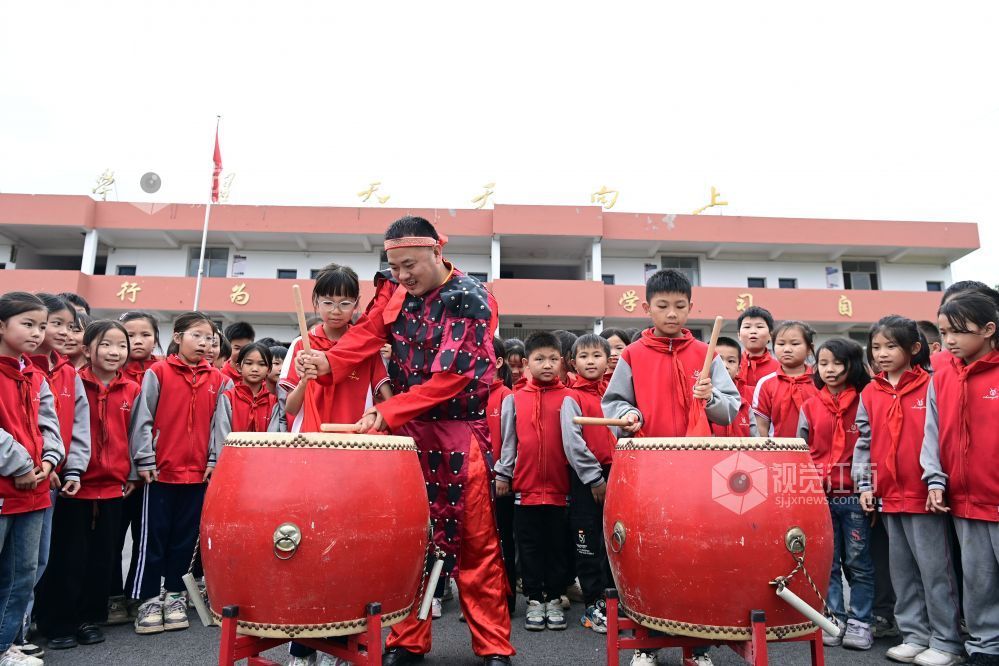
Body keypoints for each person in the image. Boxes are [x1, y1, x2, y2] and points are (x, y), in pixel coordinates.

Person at [299, 216, 514, 665]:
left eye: (409, 265)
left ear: (438, 252)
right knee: (408, 538)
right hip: (404, 433)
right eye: (394, 267)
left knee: (477, 543)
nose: (401, 276)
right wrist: (329, 363)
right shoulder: (396, 291)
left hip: (458, 431)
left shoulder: (470, 298)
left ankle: (493, 644)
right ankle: (407, 640)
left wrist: (386, 410)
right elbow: (369, 332)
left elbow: (452, 378)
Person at [601, 269, 739, 666]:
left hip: (698, 473)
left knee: (699, 557)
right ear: (647, 309)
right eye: (662, 307)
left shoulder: (705, 354)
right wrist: (628, 415)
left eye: (680, 307)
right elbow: (613, 404)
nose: (672, 314)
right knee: (650, 557)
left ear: (691, 307)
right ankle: (646, 642)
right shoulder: (632, 355)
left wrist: (711, 397)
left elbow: (731, 408)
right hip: (652, 472)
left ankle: (696, 647)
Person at [853, 316, 962, 666]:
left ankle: (947, 641)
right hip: (888, 495)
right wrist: (866, 484)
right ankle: (914, 636)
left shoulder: (932, 385)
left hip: (924, 496)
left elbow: (943, 439)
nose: (882, 354)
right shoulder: (870, 391)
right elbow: (864, 443)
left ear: (914, 349)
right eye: (876, 348)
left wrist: (936, 481)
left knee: (935, 572)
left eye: (891, 346)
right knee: (901, 571)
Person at [37, 320, 140, 651]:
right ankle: (59, 622)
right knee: (68, 557)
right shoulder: (74, 381)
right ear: (87, 349)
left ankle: (88, 618)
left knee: (103, 558)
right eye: (106, 344)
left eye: (121, 345)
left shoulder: (132, 389)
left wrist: (134, 472)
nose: (115, 352)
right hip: (73, 485)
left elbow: (139, 435)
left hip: (113, 487)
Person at [129, 312, 231, 636]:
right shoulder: (157, 372)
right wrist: (145, 460)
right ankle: (147, 599)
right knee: (152, 540)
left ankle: (174, 596)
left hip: (198, 475)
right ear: (177, 336)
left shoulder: (219, 380)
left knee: (185, 542)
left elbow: (219, 426)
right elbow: (142, 418)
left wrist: (214, 460)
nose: (203, 343)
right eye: (196, 336)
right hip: (160, 473)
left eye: (209, 339)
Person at [921, 294, 999, 665]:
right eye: (944, 332)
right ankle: (985, 646)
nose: (950, 340)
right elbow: (932, 434)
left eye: (959, 332)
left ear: (988, 330)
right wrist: (935, 480)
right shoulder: (943, 375)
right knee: (978, 581)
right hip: (965, 500)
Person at [494, 332, 576, 632]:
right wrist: (503, 474)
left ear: (562, 363)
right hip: (524, 492)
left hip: (558, 490)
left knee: (556, 546)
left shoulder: (570, 398)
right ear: (527, 363)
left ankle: (554, 598)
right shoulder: (514, 400)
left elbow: (575, 444)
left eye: (553, 359)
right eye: (540, 359)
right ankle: (533, 599)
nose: (547, 365)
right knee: (527, 547)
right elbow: (508, 443)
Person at [0, 292, 65, 666]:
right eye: (28, 324)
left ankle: (4, 644)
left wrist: (49, 461)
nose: (38, 333)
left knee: (24, 575)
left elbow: (49, 426)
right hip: (7, 486)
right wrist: (21, 464)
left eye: (42, 326)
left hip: (36, 491)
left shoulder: (34, 375)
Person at [797, 338, 874, 650]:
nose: (829, 370)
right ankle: (832, 617)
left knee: (858, 562)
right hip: (819, 496)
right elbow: (800, 451)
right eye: (823, 363)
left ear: (851, 365)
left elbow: (870, 447)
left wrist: (867, 486)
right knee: (826, 560)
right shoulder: (810, 405)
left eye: (837, 363)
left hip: (853, 495)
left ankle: (861, 621)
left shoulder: (865, 401)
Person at [280, 263, 391, 433]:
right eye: (328, 302)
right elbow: (291, 409)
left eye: (345, 303)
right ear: (316, 301)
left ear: (357, 303)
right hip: (310, 439)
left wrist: (378, 414)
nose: (336, 311)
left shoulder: (366, 345)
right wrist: (304, 382)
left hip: (355, 440)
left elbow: (387, 399)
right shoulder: (301, 344)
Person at [561, 334, 616, 634]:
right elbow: (573, 444)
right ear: (573, 363)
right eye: (584, 356)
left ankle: (614, 600)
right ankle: (593, 605)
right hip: (587, 479)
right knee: (588, 541)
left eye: (597, 355)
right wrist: (594, 478)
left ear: (608, 361)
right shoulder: (573, 397)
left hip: (617, 473)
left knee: (612, 540)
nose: (591, 361)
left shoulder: (612, 395)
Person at [109, 311, 160, 624]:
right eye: (130, 335)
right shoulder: (111, 371)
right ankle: (113, 596)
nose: (138, 341)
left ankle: (136, 594)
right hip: (116, 472)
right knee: (114, 538)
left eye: (146, 334)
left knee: (146, 537)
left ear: (157, 337)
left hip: (152, 473)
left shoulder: (162, 371)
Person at [487, 338, 516, 617]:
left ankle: (506, 598)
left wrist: (503, 474)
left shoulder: (506, 395)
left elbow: (510, 441)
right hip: (472, 479)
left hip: (499, 480)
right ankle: (482, 598)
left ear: (497, 362)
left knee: (504, 539)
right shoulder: (467, 394)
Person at [212, 343, 283, 457]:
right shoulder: (228, 398)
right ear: (239, 367)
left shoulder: (273, 402)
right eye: (249, 363)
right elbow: (222, 435)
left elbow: (272, 439)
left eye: (261, 364)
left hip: (262, 462)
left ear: (268, 369)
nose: (255, 369)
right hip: (231, 461)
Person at [752, 321, 818, 438]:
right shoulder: (766, 383)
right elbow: (761, 425)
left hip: (815, 453)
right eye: (781, 344)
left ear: (809, 348)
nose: (787, 349)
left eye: (795, 344)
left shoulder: (820, 381)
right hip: (778, 451)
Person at [710, 337, 753, 437]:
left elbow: (755, 439)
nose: (724, 365)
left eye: (731, 361)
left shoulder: (747, 401)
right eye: (718, 360)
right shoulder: (702, 396)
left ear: (738, 369)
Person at [737, 306, 779, 389]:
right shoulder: (731, 365)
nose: (753, 331)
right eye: (747, 327)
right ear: (739, 335)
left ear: (770, 335)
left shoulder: (780, 369)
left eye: (759, 327)